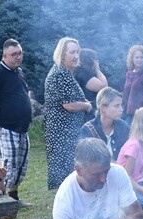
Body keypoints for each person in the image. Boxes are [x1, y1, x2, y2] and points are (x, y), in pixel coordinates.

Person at [0, 38, 32, 202]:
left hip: (21, 127)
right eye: (14, 54)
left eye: (20, 53)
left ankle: (14, 198)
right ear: (4, 56)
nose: (18, 57)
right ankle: (1, 198)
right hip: (5, 126)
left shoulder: (18, 71)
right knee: (8, 163)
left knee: (20, 163)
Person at [44, 37, 92, 189]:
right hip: (62, 133)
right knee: (66, 178)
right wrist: (86, 105)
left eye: (77, 52)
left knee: (70, 176)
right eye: (72, 52)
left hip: (67, 131)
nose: (76, 56)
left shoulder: (65, 73)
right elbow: (69, 105)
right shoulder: (60, 74)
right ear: (62, 55)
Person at [78, 86, 130, 163]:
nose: (121, 109)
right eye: (116, 106)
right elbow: (86, 160)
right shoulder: (88, 130)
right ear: (103, 108)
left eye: (121, 105)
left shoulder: (123, 127)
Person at [123, 44, 143, 123]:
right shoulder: (129, 73)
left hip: (140, 113)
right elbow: (126, 93)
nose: (139, 60)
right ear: (132, 59)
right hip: (127, 111)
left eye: (141, 57)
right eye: (137, 57)